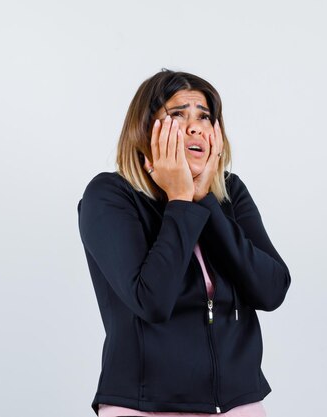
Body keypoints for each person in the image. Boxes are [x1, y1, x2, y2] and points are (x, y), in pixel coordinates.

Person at [77, 69, 291, 416]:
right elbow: (151, 301)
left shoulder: (229, 194)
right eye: (178, 115)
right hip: (144, 406)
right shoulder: (110, 196)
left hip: (238, 403)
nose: (195, 127)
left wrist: (205, 200)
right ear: (145, 128)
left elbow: (271, 290)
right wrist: (179, 199)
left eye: (204, 116)